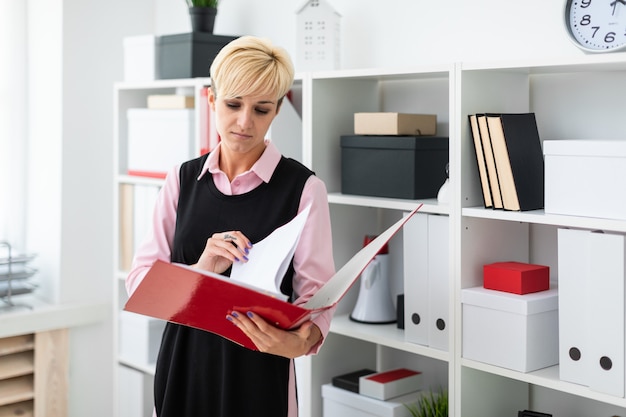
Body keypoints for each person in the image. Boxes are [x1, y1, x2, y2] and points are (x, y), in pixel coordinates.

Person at [125, 35, 336, 417]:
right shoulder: (182, 179)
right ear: (211, 100)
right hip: (183, 364)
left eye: (261, 109)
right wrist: (203, 268)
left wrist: (300, 342)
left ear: (276, 112)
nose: (244, 122)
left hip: (259, 372)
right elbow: (140, 282)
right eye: (233, 104)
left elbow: (317, 300)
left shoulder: (304, 189)